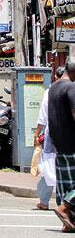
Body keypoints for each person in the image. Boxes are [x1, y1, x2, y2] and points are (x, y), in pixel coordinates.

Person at [49, 56, 75, 232]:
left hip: (59, 143)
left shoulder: (54, 87)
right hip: (72, 143)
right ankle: (65, 207)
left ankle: (68, 222)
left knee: (68, 185)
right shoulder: (71, 87)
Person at [36, 65, 66, 210]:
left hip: (52, 135)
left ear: (55, 77)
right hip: (68, 137)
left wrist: (37, 133)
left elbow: (43, 117)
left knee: (48, 169)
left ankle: (44, 201)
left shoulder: (50, 92)